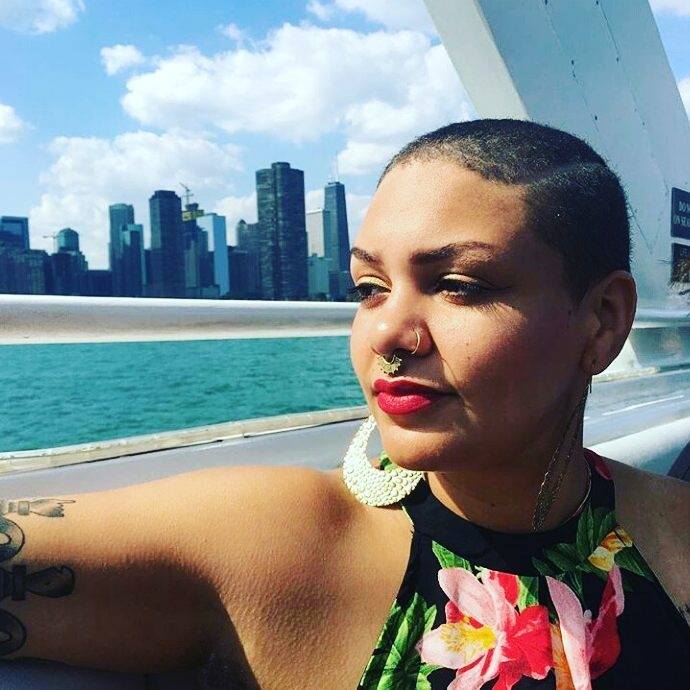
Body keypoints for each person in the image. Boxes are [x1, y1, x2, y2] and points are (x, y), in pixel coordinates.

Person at [0, 119, 688, 689]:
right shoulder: (279, 541)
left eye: (457, 284)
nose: (386, 332)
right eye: (369, 288)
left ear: (602, 320)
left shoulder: (677, 532)